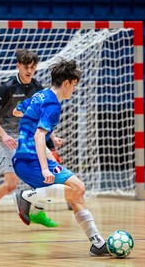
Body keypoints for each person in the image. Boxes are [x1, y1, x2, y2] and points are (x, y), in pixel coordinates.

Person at [12, 58, 110, 256]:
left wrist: (35, 124)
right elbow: (40, 136)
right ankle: (26, 196)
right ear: (66, 83)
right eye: (73, 85)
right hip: (30, 160)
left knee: (77, 192)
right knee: (78, 188)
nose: (73, 90)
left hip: (25, 157)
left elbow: (16, 111)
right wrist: (45, 168)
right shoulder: (53, 106)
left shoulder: (40, 95)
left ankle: (97, 243)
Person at [0, 49, 62, 232]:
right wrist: (3, 135)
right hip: (9, 138)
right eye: (26, 67)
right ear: (18, 65)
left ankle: (37, 211)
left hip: (31, 138)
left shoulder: (38, 88)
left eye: (33, 67)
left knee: (53, 173)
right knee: (11, 184)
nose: (29, 71)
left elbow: (42, 116)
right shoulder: (7, 87)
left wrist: (53, 136)